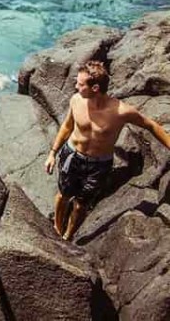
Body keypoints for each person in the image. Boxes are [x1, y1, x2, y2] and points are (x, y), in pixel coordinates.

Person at [45, 60, 170, 241]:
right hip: (72, 155)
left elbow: (151, 125)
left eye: (80, 84)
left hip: (99, 165)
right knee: (63, 196)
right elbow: (66, 126)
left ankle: (68, 236)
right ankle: (57, 229)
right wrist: (52, 153)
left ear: (95, 88)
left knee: (81, 205)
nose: (75, 87)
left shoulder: (121, 111)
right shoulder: (76, 100)